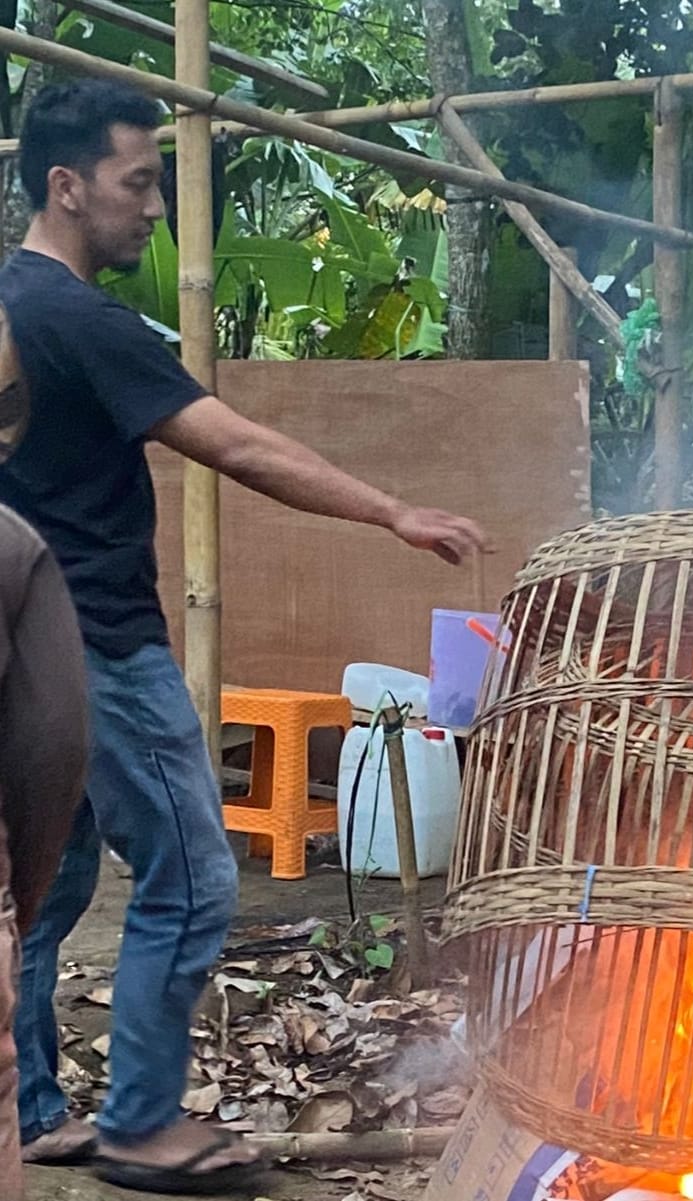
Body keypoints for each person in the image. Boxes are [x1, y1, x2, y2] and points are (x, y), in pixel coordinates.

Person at [0, 79, 489, 1194]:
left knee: (49, 884)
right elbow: (238, 446)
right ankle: (138, 1123)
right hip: (102, 648)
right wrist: (392, 511)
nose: (156, 209)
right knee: (193, 877)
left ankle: (31, 1109)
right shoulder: (79, 317)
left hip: (27, 645)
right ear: (66, 187)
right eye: (137, 182)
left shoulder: (8, 306)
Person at [0, 310, 90, 1199]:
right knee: (57, 890)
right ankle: (31, 1105)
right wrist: (12, 906)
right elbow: (54, 750)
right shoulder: (15, 553)